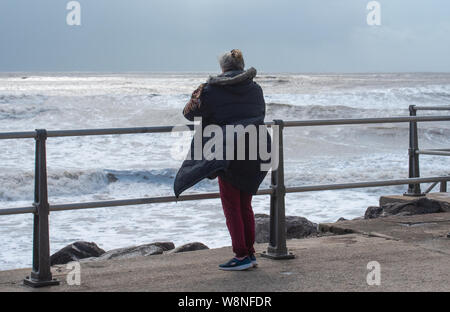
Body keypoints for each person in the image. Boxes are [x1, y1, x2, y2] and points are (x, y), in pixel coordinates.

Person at [174, 49, 270, 271]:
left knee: (231, 205)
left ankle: (241, 255)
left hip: (227, 151)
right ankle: (250, 253)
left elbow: (189, 114)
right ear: (241, 66)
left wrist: (196, 94)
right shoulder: (255, 88)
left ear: (223, 68)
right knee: (245, 204)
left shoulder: (211, 89)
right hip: (255, 149)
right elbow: (258, 114)